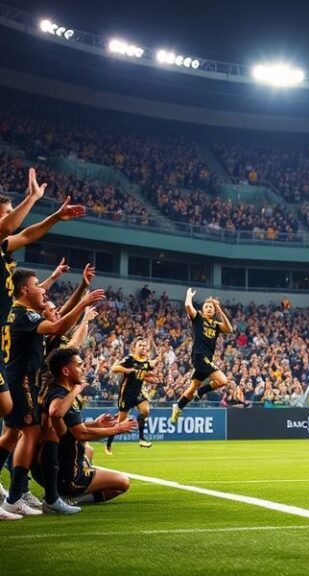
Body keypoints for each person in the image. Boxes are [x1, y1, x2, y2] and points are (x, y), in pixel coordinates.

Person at [0, 269, 104, 517]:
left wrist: (81, 290)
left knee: (16, 434)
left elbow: (58, 315)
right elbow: (60, 323)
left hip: (19, 380)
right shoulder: (29, 318)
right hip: (24, 382)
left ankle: (27, 494)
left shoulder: (16, 314)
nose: (44, 292)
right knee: (32, 432)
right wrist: (83, 306)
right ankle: (18, 495)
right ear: (25, 289)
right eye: (38, 286)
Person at [0, 169, 85, 423]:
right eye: (7, 211)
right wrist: (33, 198)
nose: (12, 215)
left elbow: (27, 235)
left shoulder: (3, 247)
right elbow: (9, 226)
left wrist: (56, 216)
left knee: (5, 406)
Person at [35, 348, 135, 506]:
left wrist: (96, 424)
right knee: (123, 482)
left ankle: (66, 491)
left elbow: (70, 427)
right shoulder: (62, 395)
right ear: (66, 371)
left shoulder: (57, 390)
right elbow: (79, 432)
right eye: (79, 365)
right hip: (67, 476)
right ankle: (71, 498)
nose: (83, 369)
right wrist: (118, 429)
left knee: (88, 450)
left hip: (49, 469)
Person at [171, 288, 233, 424]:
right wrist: (189, 295)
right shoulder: (198, 318)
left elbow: (229, 329)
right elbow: (188, 306)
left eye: (211, 307)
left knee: (192, 388)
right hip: (199, 356)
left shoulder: (216, 325)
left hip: (207, 359)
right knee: (223, 380)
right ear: (202, 310)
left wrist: (219, 309)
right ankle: (201, 392)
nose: (209, 309)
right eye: (207, 307)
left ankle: (178, 406)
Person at [105, 337, 159, 454]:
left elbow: (152, 365)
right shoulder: (130, 358)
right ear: (134, 348)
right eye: (140, 345)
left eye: (144, 345)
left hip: (138, 393)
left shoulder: (145, 361)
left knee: (145, 411)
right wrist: (126, 370)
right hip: (126, 394)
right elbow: (114, 368)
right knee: (120, 423)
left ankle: (142, 439)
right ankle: (109, 442)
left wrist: (150, 377)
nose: (143, 347)